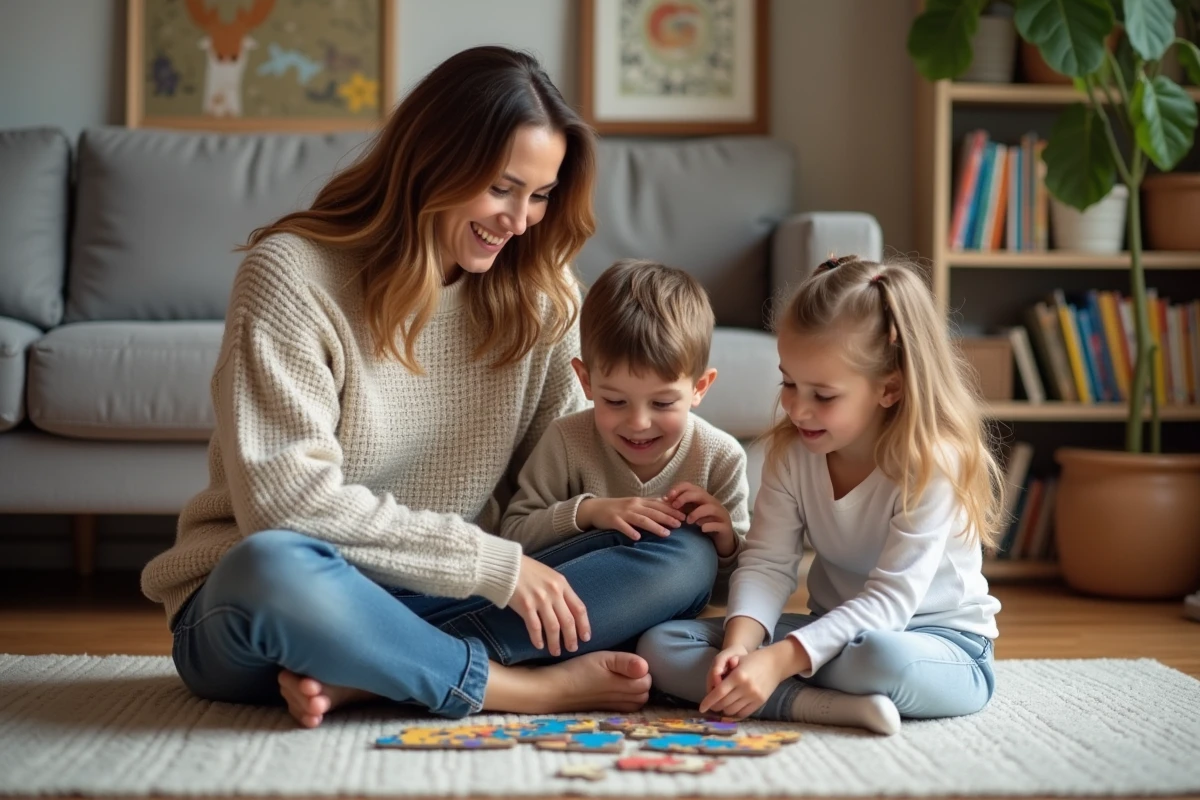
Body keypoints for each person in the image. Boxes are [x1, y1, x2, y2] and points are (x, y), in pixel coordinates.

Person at [139, 46, 717, 730]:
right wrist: (487, 563)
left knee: (682, 556)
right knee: (269, 566)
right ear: (433, 161)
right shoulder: (291, 276)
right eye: (502, 188)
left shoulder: (544, 296)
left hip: (444, 603)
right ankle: (515, 688)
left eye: (539, 195)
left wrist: (665, 502)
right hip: (286, 609)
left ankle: (379, 672)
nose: (521, 219)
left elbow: (561, 484)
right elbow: (284, 506)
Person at [637, 255, 1004, 736]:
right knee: (661, 646)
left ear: (888, 388)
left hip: (939, 645)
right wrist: (742, 647)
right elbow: (768, 562)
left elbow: (891, 601)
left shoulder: (932, 461)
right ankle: (825, 706)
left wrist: (778, 662)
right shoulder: (793, 453)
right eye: (789, 382)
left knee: (880, 658)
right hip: (832, 634)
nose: (797, 408)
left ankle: (784, 689)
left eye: (823, 395)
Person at [500, 259, 749, 601]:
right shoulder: (566, 440)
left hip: (664, 611)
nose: (638, 423)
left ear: (699, 387)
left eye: (661, 404)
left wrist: (725, 545)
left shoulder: (721, 456)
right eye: (615, 401)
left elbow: (732, 591)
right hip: (573, 602)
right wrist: (589, 513)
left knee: (690, 560)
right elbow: (514, 539)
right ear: (586, 382)